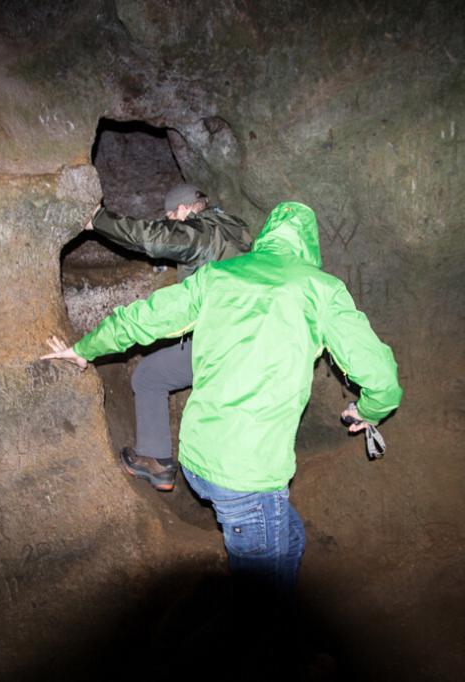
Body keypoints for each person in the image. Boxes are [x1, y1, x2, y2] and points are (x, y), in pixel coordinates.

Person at [42, 201, 402, 600]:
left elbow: (143, 319)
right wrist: (367, 411)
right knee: (260, 604)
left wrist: (84, 348)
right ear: (309, 244)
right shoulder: (320, 290)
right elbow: (381, 379)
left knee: (291, 540)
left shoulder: (217, 275)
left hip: (199, 461)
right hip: (249, 475)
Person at [84, 183, 252, 492]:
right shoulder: (236, 228)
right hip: (251, 340)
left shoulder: (201, 232)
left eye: (170, 214)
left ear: (185, 209)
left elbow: (153, 237)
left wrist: (99, 219)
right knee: (159, 373)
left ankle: (157, 460)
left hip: (222, 343)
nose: (169, 220)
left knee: (149, 376)